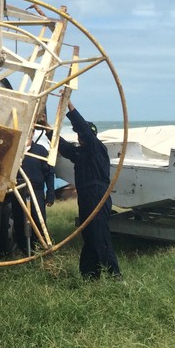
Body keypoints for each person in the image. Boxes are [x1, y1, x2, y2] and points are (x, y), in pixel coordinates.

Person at [54, 101, 121, 279]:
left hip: (98, 195)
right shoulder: (82, 153)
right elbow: (66, 149)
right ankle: (90, 275)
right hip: (85, 197)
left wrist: (70, 107)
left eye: (81, 135)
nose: (78, 138)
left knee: (100, 236)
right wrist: (48, 130)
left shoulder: (97, 148)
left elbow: (84, 130)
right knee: (89, 236)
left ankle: (115, 276)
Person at [14, 133, 55, 250]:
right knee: (19, 221)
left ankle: (42, 248)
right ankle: (24, 251)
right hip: (18, 190)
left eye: (30, 132)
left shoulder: (40, 150)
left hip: (36, 191)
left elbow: (50, 173)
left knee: (38, 220)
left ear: (32, 134)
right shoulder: (15, 150)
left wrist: (51, 194)